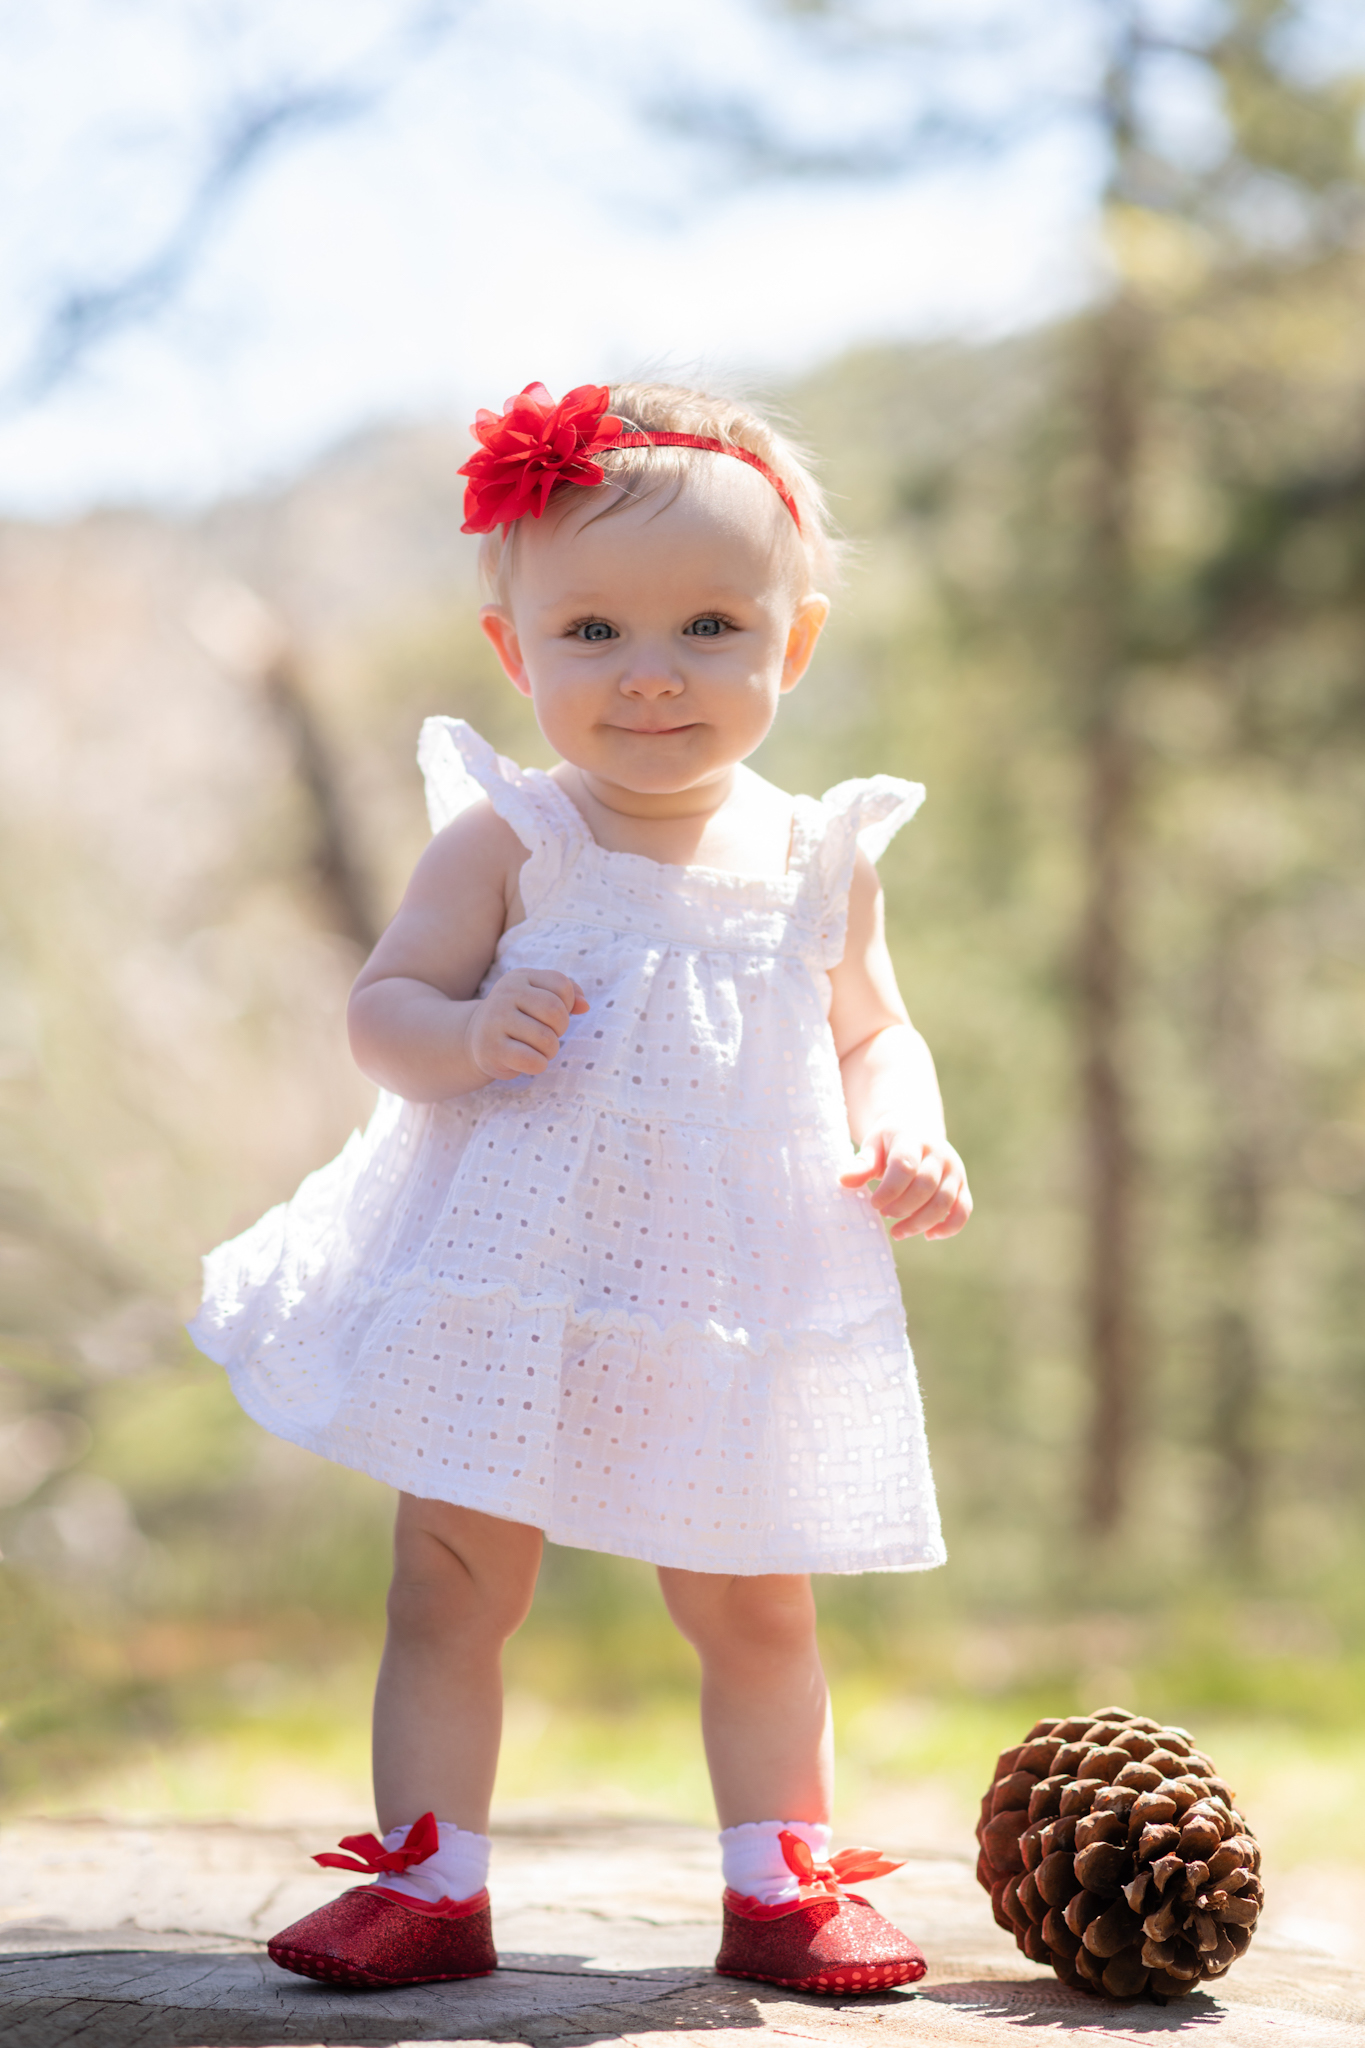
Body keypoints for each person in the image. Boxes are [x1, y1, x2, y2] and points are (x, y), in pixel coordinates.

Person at [191, 379, 972, 1996]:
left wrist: (908, 1128)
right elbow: (381, 1013)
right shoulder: (513, 837)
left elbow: (875, 1029)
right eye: (594, 634)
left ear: (792, 642)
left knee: (754, 1597)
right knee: (453, 1579)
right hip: (514, 1273)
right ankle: (428, 1877)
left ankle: (782, 1881)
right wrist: (468, 1032)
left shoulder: (817, 855)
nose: (652, 674)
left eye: (704, 623)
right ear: (516, 655)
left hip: (729, 1285)